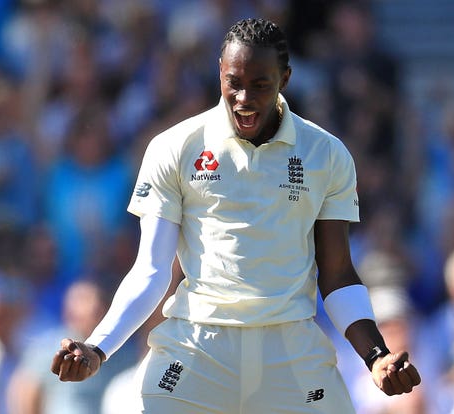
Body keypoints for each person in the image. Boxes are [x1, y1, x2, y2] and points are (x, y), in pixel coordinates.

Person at [51, 18, 421, 413]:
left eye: (260, 84)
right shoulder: (174, 147)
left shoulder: (326, 154)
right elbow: (152, 270)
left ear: (285, 78)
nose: (244, 98)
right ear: (220, 74)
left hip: (290, 351)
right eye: (233, 82)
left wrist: (375, 355)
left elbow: (337, 274)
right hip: (196, 349)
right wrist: (98, 347)